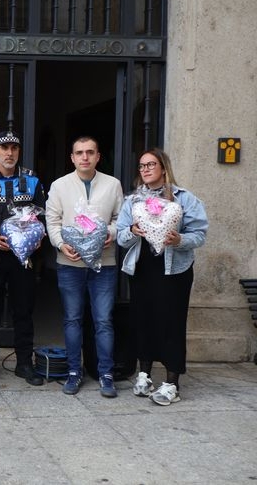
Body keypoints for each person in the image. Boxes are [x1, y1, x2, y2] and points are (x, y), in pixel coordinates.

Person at [116, 148, 208, 406]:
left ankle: (172, 383)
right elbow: (122, 238)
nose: (145, 169)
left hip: (174, 271)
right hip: (142, 269)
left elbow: (199, 234)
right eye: (142, 166)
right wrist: (134, 231)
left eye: (151, 165)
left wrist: (179, 240)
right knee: (143, 320)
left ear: (164, 168)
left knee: (172, 323)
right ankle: (144, 374)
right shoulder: (133, 201)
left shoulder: (184, 199)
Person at [45, 136, 123, 398]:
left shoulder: (113, 185)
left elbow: (120, 219)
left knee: (103, 320)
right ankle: (73, 372)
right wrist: (60, 244)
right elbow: (52, 220)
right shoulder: (59, 186)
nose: (85, 157)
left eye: (90, 152)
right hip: (70, 263)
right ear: (72, 157)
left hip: (105, 263)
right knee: (72, 319)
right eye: (80, 153)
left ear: (98, 156)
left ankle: (106, 374)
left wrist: (109, 234)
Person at [0, 131, 46, 386]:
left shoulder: (32, 180)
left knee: (23, 310)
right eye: (4, 148)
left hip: (23, 258)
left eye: (14, 148)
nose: (9, 153)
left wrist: (36, 239)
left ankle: (25, 363)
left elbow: (43, 217)